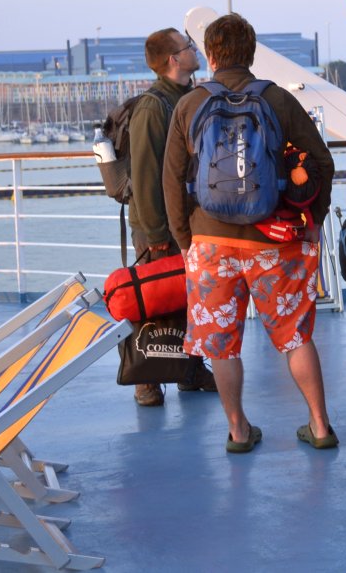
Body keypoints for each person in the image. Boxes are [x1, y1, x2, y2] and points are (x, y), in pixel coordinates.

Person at [162, 13, 336, 453]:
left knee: (222, 344)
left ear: (211, 54)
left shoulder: (190, 104)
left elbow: (172, 182)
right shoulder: (277, 99)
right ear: (252, 53)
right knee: (295, 336)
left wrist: (186, 242)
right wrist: (314, 221)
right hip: (275, 242)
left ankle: (238, 431)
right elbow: (321, 162)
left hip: (210, 243)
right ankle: (319, 426)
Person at [126, 27, 215, 407]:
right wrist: (157, 234)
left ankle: (190, 371)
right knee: (153, 300)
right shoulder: (153, 107)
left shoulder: (188, 97)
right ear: (174, 59)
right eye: (188, 46)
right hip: (158, 226)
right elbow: (146, 175)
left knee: (190, 298)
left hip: (185, 221)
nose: (196, 49)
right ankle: (146, 380)